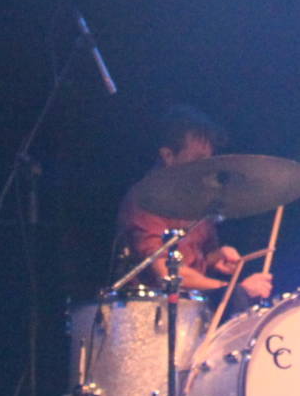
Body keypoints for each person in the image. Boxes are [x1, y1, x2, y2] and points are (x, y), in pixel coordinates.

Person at [112, 105, 273, 304]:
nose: (206, 167)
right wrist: (232, 290)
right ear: (168, 156)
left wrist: (216, 258)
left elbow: (200, 255)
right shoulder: (144, 201)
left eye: (208, 159)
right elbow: (165, 271)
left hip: (193, 310)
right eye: (198, 159)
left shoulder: (198, 201)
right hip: (152, 314)